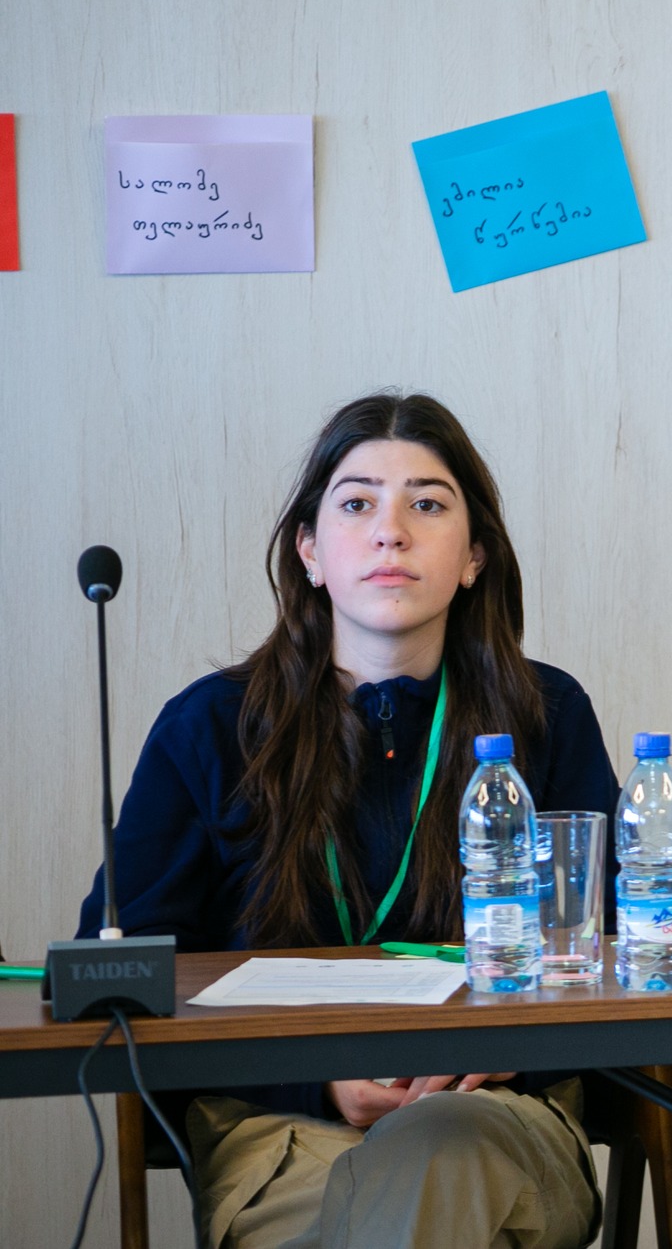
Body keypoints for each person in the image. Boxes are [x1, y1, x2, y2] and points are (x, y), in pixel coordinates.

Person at [77, 392, 616, 1249]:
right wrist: (313, 1077)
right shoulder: (210, 727)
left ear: (474, 556)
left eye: (427, 505)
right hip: (283, 1135)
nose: (390, 532)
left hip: (495, 1119)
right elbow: (121, 977)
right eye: (358, 503)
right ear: (310, 551)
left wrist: (507, 1047)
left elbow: (613, 948)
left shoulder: (546, 716)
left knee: (439, 1148)